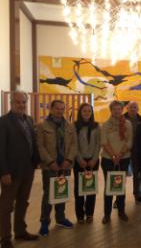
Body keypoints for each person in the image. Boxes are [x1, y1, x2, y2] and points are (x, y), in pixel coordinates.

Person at [0, 91, 39, 248]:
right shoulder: (3, 122)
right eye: (18, 102)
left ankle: (20, 231)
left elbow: (32, 143)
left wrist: (36, 163)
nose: (21, 105)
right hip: (11, 172)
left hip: (28, 169)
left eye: (24, 102)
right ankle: (5, 238)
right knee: (6, 206)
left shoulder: (29, 120)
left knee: (23, 202)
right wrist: (3, 172)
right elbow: (1, 149)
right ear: (11, 103)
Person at [37, 100, 77, 236]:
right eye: (57, 109)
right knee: (48, 194)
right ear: (51, 109)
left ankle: (60, 218)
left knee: (61, 191)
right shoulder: (42, 126)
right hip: (50, 167)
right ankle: (44, 222)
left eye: (62, 109)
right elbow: (40, 146)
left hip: (65, 165)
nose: (60, 111)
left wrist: (68, 160)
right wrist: (50, 162)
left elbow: (74, 145)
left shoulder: (70, 126)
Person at [101, 101, 133, 224]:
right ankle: (107, 214)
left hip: (124, 159)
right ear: (111, 110)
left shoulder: (128, 124)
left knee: (120, 186)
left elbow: (129, 142)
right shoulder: (105, 125)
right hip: (108, 159)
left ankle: (121, 211)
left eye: (119, 109)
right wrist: (113, 155)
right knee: (109, 187)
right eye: (114, 109)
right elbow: (104, 142)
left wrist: (119, 155)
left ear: (122, 110)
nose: (117, 111)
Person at [73, 103, 101, 224]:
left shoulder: (96, 126)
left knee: (90, 188)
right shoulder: (74, 126)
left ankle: (90, 213)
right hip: (79, 162)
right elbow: (74, 145)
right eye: (84, 111)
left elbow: (98, 144)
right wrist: (80, 160)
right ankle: (80, 215)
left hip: (93, 161)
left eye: (89, 111)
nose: (87, 113)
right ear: (80, 112)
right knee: (79, 189)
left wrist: (94, 159)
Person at [124, 101, 141, 203]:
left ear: (138, 109)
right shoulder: (121, 119)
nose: (133, 109)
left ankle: (137, 195)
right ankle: (119, 198)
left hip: (137, 151)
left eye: (135, 107)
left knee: (137, 174)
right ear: (127, 108)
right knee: (121, 174)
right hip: (123, 151)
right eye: (131, 107)